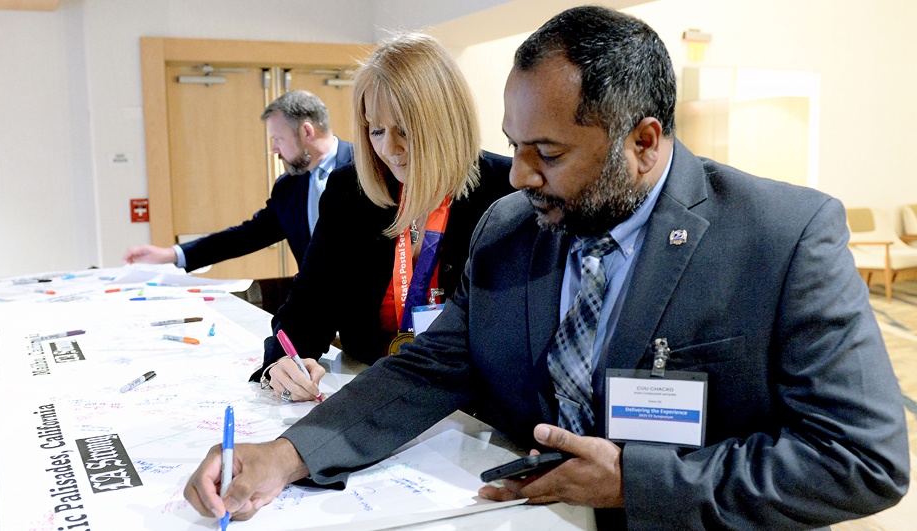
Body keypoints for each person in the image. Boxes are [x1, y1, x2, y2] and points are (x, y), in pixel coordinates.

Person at [185, 7, 909, 530]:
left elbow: (863, 459)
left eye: (550, 153)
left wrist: (637, 482)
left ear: (645, 141)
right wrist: (284, 454)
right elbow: (429, 368)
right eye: (514, 145)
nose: (520, 174)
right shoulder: (510, 228)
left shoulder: (782, 238)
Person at [248, 32, 514, 393]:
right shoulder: (349, 191)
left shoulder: (507, 190)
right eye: (376, 130)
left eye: (405, 130)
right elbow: (308, 306)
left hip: (473, 407)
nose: (389, 149)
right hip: (375, 395)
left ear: (447, 120)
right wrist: (281, 362)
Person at [122, 90, 353, 272]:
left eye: (278, 139)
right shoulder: (288, 188)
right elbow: (246, 236)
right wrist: (172, 255)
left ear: (306, 132)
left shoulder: (366, 168)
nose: (274, 149)